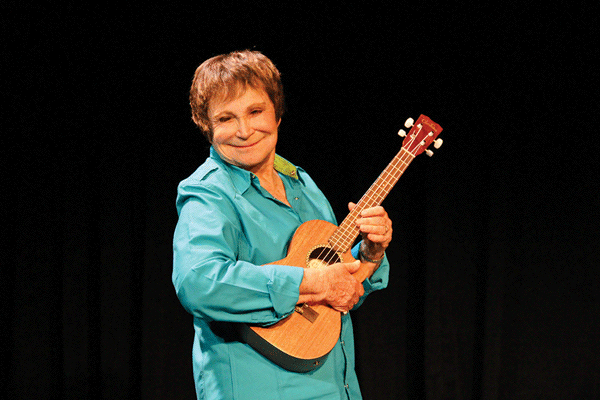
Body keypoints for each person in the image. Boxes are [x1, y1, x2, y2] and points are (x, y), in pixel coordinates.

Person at [173, 50, 393, 400]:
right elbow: (199, 282)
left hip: (335, 386)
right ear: (207, 127)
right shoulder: (208, 193)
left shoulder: (301, 184)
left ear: (277, 112)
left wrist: (370, 253)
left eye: (255, 111)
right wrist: (310, 282)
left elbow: (337, 293)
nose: (244, 131)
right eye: (226, 119)